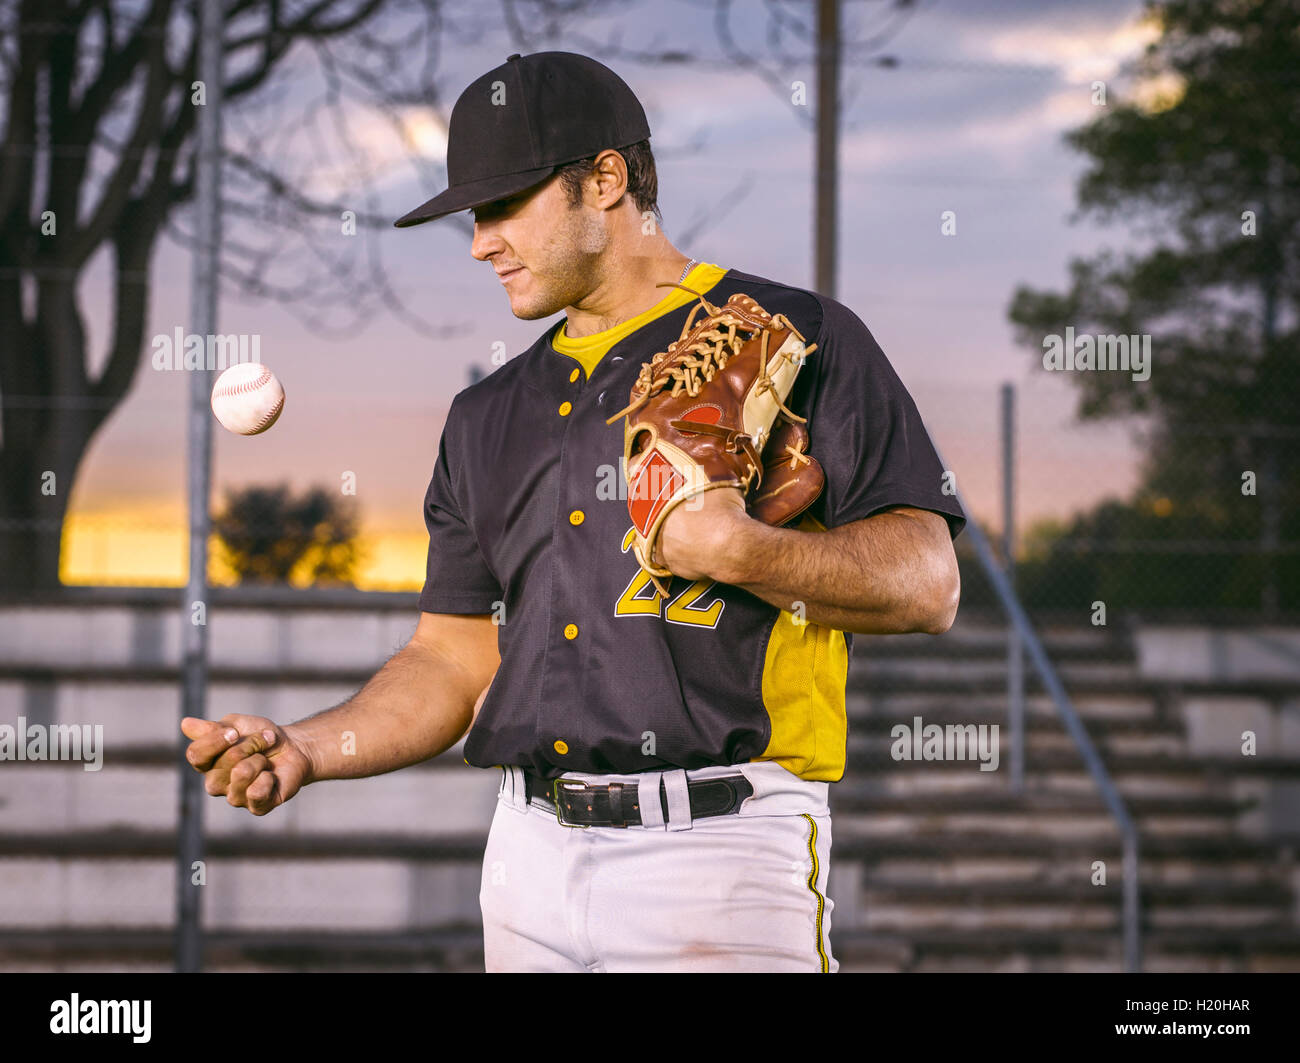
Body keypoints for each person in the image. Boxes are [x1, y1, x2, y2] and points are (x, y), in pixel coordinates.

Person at [182, 51, 965, 973]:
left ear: (606, 181)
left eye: (504, 206)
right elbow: (451, 657)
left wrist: (742, 549)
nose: (481, 242)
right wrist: (311, 747)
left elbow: (930, 584)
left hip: (718, 852)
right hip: (526, 861)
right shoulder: (484, 417)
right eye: (474, 215)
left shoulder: (796, 335)